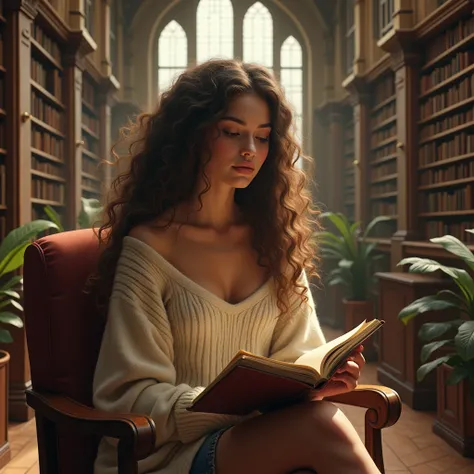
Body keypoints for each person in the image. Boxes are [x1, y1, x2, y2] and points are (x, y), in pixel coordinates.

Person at [91, 59, 379, 474]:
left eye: (263, 138)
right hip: (165, 458)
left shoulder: (275, 242)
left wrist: (322, 380)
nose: (250, 150)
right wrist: (231, 404)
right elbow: (128, 396)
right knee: (325, 429)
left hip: (256, 442)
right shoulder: (149, 248)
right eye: (232, 132)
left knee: (322, 422)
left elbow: (299, 356)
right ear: (191, 135)